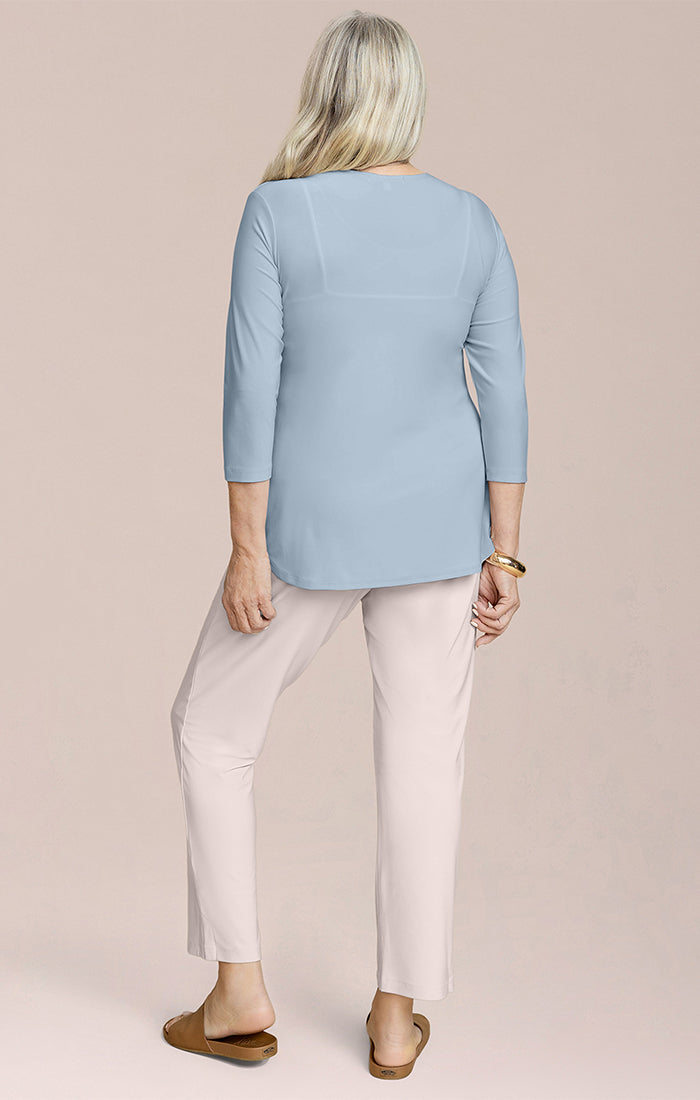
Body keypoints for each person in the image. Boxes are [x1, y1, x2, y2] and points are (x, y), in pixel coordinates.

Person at [162, 9, 528, 1081]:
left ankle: (238, 990)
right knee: (423, 763)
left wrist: (246, 546)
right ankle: (396, 1017)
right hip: (441, 530)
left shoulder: (277, 212)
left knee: (210, 727)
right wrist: (506, 553)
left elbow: (250, 389)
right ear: (410, 99)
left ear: (325, 92)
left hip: (307, 531)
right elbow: (505, 394)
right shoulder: (472, 221)